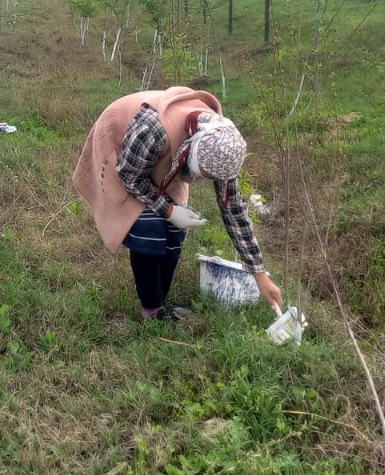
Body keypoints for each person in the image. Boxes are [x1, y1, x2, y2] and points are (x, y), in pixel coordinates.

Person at [72, 86, 282, 324]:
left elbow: (233, 209)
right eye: (201, 174)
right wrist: (169, 210)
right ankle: (151, 311)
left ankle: (161, 302)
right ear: (191, 152)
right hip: (123, 148)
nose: (202, 180)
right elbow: (130, 176)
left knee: (175, 230)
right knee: (148, 227)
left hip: (164, 155)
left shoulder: (223, 145)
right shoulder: (153, 129)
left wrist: (259, 273)